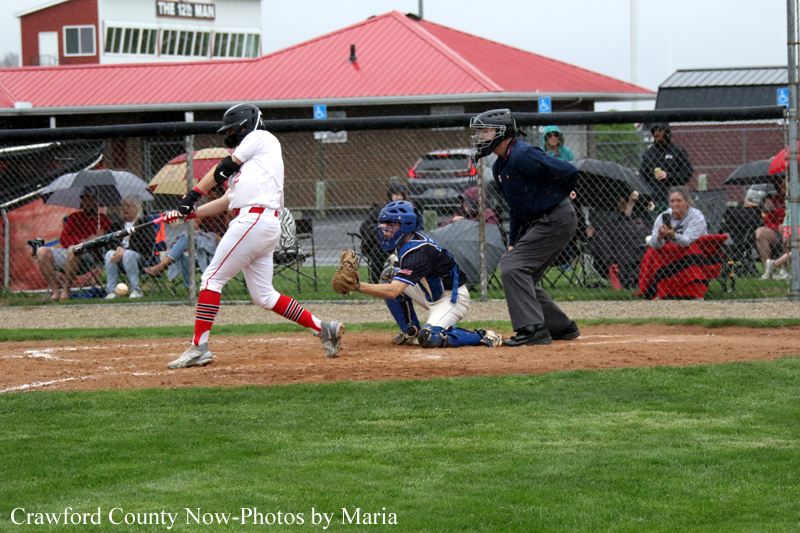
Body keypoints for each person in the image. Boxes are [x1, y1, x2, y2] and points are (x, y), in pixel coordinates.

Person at [164, 103, 343, 368]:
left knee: (211, 279)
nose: (231, 134)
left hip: (254, 220)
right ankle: (323, 328)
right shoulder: (251, 168)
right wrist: (190, 213)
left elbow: (223, 167)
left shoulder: (261, 138)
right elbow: (226, 201)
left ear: (248, 125)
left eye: (234, 128)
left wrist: (191, 196)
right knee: (264, 296)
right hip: (261, 223)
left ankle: (199, 347)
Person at [470, 108, 581, 346]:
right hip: (544, 221)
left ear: (502, 133)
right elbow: (516, 208)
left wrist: (561, 192)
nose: (480, 137)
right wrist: (512, 242)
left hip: (556, 217)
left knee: (512, 267)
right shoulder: (501, 165)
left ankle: (533, 329)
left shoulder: (523, 154)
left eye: (485, 132)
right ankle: (560, 326)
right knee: (521, 272)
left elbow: (569, 170)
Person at [351, 201, 502, 348]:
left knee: (429, 337)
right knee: (390, 274)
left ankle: (482, 336)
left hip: (451, 299)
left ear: (406, 225)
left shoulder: (418, 252)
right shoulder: (406, 241)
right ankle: (411, 332)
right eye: (384, 223)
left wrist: (358, 286)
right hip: (430, 292)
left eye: (390, 224)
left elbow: (393, 291)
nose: (384, 228)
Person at [143, 185, 229, 286]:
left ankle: (163, 265)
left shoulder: (226, 212)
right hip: (200, 240)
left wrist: (221, 238)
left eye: (214, 199)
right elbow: (194, 228)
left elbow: (229, 230)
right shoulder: (205, 211)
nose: (211, 201)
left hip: (217, 242)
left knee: (188, 240)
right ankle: (189, 289)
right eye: (210, 198)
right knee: (187, 250)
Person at [35, 191, 113, 301]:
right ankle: (56, 292)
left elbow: (107, 245)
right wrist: (83, 241)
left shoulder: (104, 220)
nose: (88, 203)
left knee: (73, 249)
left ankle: (66, 290)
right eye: (85, 200)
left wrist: (100, 238)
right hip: (68, 252)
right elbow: (64, 239)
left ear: (97, 202)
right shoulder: (73, 218)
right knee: (42, 251)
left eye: (91, 200)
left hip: (88, 256)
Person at [590, 190, 649, 289]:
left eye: (621, 201)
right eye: (618, 202)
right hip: (618, 249)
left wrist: (631, 203)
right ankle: (615, 269)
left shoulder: (640, 216)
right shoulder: (615, 220)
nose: (619, 204)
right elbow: (621, 223)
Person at [104, 196, 156, 299]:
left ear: (137, 208)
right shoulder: (117, 225)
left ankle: (136, 290)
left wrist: (125, 250)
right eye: (123, 206)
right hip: (118, 256)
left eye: (128, 206)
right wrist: (118, 248)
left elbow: (146, 243)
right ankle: (111, 291)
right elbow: (109, 241)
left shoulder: (144, 223)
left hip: (139, 256)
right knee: (109, 254)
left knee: (128, 254)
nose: (124, 209)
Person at [359, 183, 408, 284]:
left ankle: (401, 281)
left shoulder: (407, 211)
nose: (399, 197)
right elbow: (364, 227)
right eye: (396, 194)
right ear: (390, 195)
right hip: (380, 244)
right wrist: (380, 229)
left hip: (399, 243)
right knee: (376, 250)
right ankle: (374, 281)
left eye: (401, 194)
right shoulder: (380, 210)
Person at [639, 122, 693, 210]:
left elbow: (687, 173)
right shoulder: (649, 153)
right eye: (654, 131)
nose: (657, 134)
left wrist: (668, 176)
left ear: (666, 132)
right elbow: (643, 176)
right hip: (655, 197)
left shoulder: (677, 151)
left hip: (674, 196)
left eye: (660, 130)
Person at [754, 177, 786, 278]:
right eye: (778, 184)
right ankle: (768, 269)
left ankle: (785, 271)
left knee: (788, 235)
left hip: (793, 229)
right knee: (760, 232)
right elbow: (768, 222)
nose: (780, 187)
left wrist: (774, 209)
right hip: (777, 231)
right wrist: (769, 210)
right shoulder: (775, 199)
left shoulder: (795, 197)